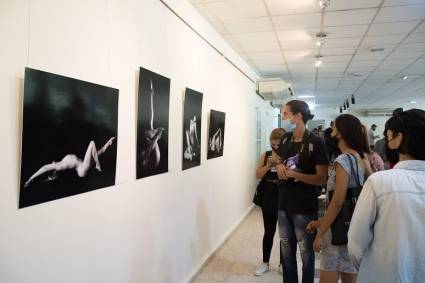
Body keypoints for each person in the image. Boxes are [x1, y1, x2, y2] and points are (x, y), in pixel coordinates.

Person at [347, 109, 425, 283]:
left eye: (388, 136)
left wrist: (371, 267)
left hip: (385, 274)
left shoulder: (380, 182)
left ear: (399, 138)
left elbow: (355, 242)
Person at [306, 114, 372, 283]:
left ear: (341, 132)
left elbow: (337, 202)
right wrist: (320, 223)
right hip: (353, 229)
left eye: (334, 126)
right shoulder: (362, 158)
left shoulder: (342, 160)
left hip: (337, 233)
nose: (331, 129)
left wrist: (320, 234)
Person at [276, 100, 328, 283]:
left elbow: (322, 178)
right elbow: (279, 160)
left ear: (298, 116)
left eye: (286, 113)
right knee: (286, 253)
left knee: (306, 254)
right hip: (283, 204)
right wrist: (281, 167)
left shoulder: (317, 142)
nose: (283, 117)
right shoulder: (285, 138)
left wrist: (293, 174)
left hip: (304, 206)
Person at [254, 128, 286, 276]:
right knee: (269, 231)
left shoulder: (290, 155)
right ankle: (265, 262)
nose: (275, 147)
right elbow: (257, 175)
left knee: (284, 233)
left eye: (278, 145)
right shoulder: (266, 155)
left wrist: (281, 165)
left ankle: (282, 263)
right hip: (268, 195)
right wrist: (268, 165)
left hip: (285, 195)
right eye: (272, 144)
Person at [24, 137, 115, 187]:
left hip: (82, 167)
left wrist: (108, 143)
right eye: (51, 165)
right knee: (92, 143)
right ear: (53, 170)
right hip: (82, 169)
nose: (51, 162)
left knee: (97, 152)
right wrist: (31, 178)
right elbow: (44, 168)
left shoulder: (62, 162)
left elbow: (97, 152)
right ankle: (98, 165)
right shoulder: (60, 166)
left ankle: (108, 144)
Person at [141, 80, 165, 169]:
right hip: (152, 141)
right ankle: (151, 94)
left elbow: (150, 147)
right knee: (151, 119)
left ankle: (151, 94)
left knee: (150, 119)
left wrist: (158, 134)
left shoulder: (146, 158)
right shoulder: (152, 160)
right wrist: (158, 135)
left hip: (151, 140)